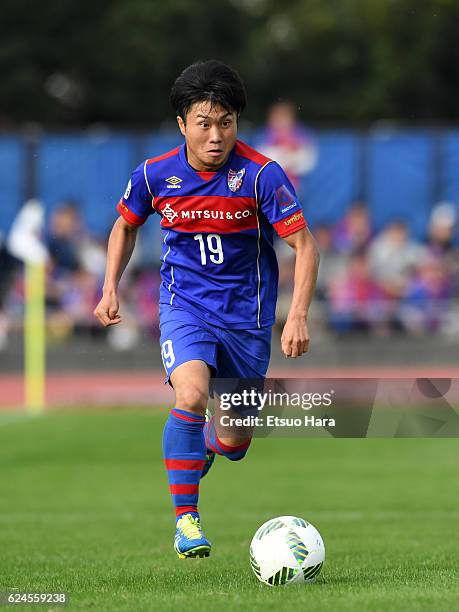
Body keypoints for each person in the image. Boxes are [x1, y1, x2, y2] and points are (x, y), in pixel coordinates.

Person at [94, 60, 320, 560]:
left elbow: (304, 246)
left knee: (235, 439)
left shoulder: (262, 175)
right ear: (182, 124)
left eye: (226, 122)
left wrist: (298, 313)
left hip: (249, 317)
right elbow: (125, 225)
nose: (215, 135)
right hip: (185, 306)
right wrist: (110, 287)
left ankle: (204, 453)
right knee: (192, 394)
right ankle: (186, 521)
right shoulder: (154, 175)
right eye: (204, 123)